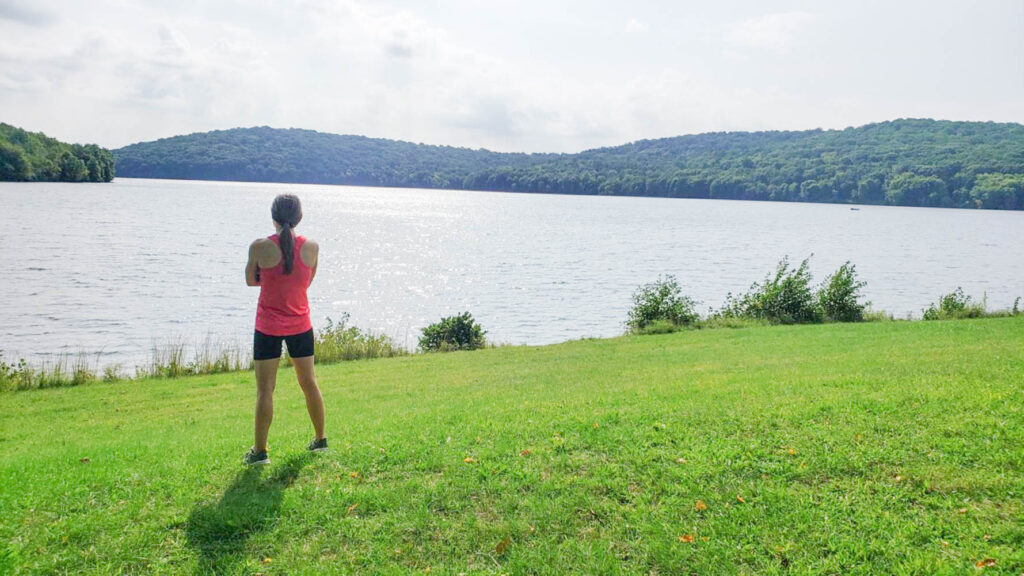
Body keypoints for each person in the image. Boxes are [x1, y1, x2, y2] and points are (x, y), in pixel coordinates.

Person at [243, 194, 326, 465]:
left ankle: (260, 452)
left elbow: (251, 281)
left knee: (265, 390)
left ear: (273, 217)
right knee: (309, 382)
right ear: (299, 217)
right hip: (301, 324)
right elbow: (306, 282)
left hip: (267, 326)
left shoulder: (259, 247)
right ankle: (320, 440)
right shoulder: (312, 247)